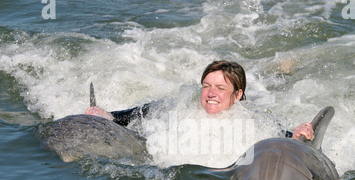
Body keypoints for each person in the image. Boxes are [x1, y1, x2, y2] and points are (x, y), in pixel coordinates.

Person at [85, 60, 314, 141]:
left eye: (220, 88)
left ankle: (283, 71)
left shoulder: (249, 116)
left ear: (238, 95)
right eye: (206, 86)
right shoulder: (184, 106)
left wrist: (294, 135)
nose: (210, 94)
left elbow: (275, 133)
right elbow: (143, 112)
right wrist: (109, 116)